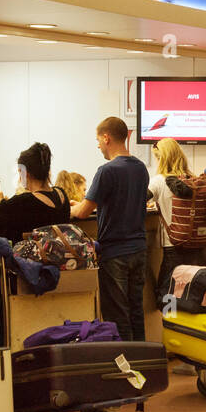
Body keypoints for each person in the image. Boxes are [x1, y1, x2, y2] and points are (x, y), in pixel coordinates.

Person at [73, 117, 149, 341]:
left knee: (117, 315)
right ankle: (142, 364)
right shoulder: (141, 168)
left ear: (106, 138)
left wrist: (72, 207)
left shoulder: (106, 171)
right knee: (136, 311)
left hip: (115, 253)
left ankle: (125, 368)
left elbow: (83, 212)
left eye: (98, 140)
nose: (98, 146)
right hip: (139, 250)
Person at [148, 137, 206, 300]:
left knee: (169, 297)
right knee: (197, 296)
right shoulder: (194, 180)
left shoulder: (158, 181)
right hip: (202, 247)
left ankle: (170, 325)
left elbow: (135, 202)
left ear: (160, 159)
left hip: (175, 248)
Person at [0, 142, 70, 242]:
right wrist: (3, 202)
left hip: (25, 257)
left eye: (19, 171)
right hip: (59, 256)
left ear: (25, 173)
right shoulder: (62, 195)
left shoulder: (24, 202)